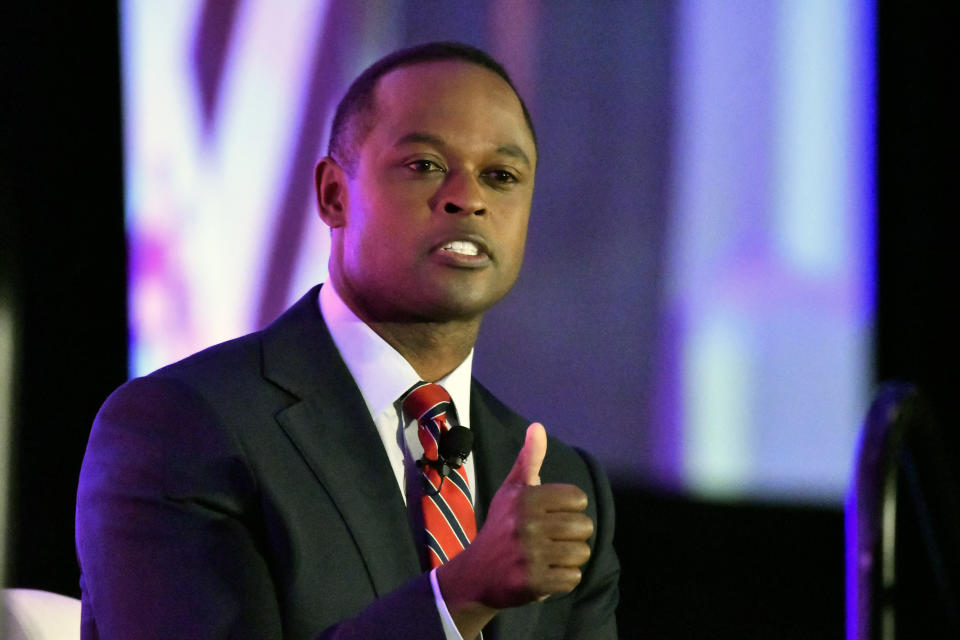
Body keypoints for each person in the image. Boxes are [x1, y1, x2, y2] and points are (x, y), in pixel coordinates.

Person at [76, 41, 619, 639]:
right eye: (426, 166)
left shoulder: (564, 483)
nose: (470, 198)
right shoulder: (179, 427)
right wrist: (459, 596)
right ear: (335, 194)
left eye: (502, 176)